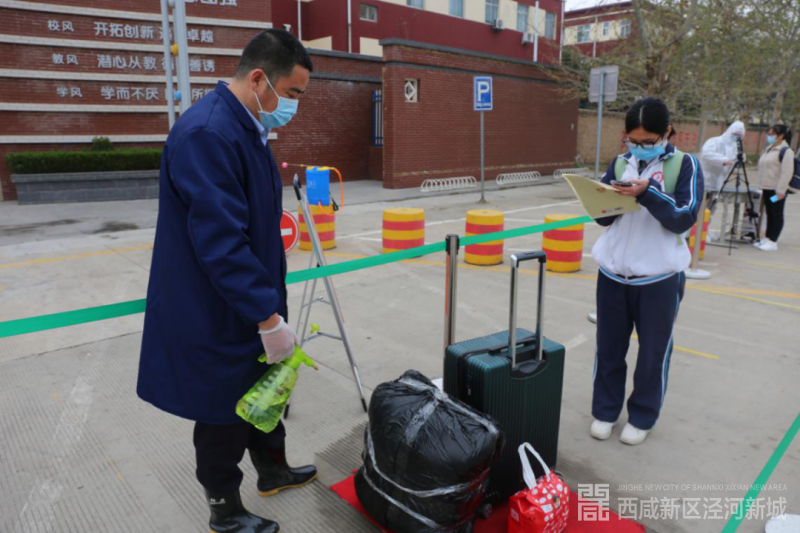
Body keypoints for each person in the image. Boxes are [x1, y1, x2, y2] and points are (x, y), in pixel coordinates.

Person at [137, 30, 315, 533]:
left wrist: (268, 307)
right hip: (216, 306)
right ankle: (224, 509)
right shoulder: (208, 134)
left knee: (266, 389)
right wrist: (268, 317)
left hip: (251, 298)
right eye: (292, 92)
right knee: (224, 409)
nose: (294, 105)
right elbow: (221, 243)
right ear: (259, 79)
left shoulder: (246, 126)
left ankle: (272, 470)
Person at [590, 97, 703, 446]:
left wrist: (648, 193)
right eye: (633, 141)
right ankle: (605, 411)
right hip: (612, 275)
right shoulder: (620, 163)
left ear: (667, 132)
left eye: (648, 141)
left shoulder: (685, 165)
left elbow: (683, 217)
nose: (639, 148)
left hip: (659, 280)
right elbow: (604, 219)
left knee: (653, 353)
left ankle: (642, 416)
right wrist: (601, 198)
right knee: (608, 348)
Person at [755, 125, 794, 252]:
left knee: (777, 213)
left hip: (777, 189)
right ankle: (767, 238)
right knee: (769, 213)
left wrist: (781, 191)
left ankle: (773, 241)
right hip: (767, 188)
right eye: (769, 133)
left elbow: (787, 172)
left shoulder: (786, 151)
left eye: (772, 134)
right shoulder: (769, 149)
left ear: (781, 136)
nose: (769, 136)